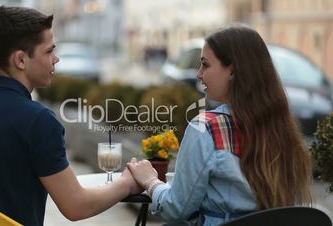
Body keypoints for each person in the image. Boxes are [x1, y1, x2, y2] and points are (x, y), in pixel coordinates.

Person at [0, 6, 141, 226]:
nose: (56, 58)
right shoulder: (39, 121)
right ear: (21, 60)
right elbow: (76, 205)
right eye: (49, 51)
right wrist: (127, 183)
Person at [127, 25, 312, 226]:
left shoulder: (206, 129)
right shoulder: (283, 129)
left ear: (232, 70)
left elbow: (176, 208)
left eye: (205, 65)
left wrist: (150, 182)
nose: (199, 74)